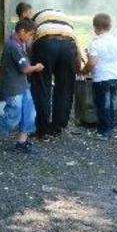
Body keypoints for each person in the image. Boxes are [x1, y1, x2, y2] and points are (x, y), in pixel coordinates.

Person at [0, 19, 44, 152]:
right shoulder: (13, 46)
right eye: (30, 34)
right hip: (13, 87)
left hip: (23, 85)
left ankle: (22, 142)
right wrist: (37, 67)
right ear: (21, 32)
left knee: (29, 113)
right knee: (13, 118)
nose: (31, 37)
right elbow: (25, 69)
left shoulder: (20, 43)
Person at [30, 8, 81, 139]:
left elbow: (30, 41)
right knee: (65, 87)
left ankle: (42, 128)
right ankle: (58, 126)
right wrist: (78, 66)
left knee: (42, 86)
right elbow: (76, 42)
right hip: (68, 45)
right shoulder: (66, 21)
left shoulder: (36, 19)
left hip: (45, 43)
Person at [83, 13, 117, 140]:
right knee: (111, 103)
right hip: (115, 76)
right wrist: (110, 58)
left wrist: (84, 71)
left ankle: (103, 132)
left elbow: (92, 63)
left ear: (96, 27)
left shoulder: (95, 43)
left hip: (102, 77)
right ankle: (110, 126)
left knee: (102, 105)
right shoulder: (116, 40)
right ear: (110, 26)